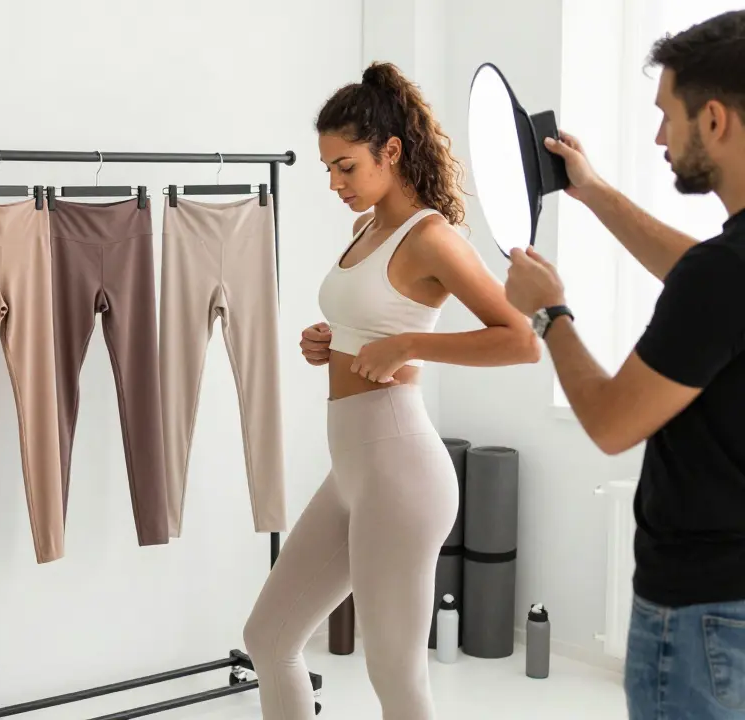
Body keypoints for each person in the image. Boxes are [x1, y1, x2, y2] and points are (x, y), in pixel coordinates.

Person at [242, 61, 541, 720]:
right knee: (268, 638)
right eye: (327, 168)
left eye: (345, 166)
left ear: (391, 150)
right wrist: (332, 340)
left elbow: (522, 339)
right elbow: (372, 320)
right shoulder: (366, 229)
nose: (334, 182)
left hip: (402, 472)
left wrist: (410, 347)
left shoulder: (431, 237)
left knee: (395, 673)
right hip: (354, 470)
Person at [503, 11, 745, 720]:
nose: (659, 138)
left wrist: (551, 314)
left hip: (702, 614)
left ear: (716, 120)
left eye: (667, 117)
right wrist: (595, 192)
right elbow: (704, 278)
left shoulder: (719, 277)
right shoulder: (725, 271)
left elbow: (612, 423)